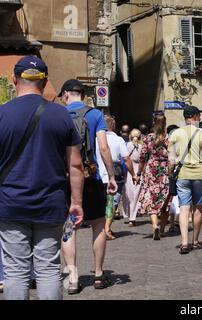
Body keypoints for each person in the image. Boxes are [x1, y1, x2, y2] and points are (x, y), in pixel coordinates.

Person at [0, 56, 84, 299]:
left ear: (14, 79)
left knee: (15, 271)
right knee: (48, 269)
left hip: (11, 203)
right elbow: (76, 164)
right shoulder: (62, 116)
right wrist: (76, 202)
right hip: (50, 203)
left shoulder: (2, 114)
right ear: (45, 82)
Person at [59, 79, 118, 293]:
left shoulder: (59, 114)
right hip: (90, 177)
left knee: (69, 226)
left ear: (66, 94)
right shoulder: (95, 115)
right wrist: (111, 175)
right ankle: (99, 275)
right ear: (83, 94)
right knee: (98, 225)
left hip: (65, 178)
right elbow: (103, 147)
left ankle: (73, 278)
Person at [168, 106, 202, 254]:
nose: (200, 118)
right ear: (194, 116)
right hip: (200, 174)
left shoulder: (175, 134)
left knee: (184, 208)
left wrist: (170, 175)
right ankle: (195, 241)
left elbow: (171, 161)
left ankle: (184, 242)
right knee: (198, 207)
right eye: (199, 115)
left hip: (182, 174)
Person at [96, 116, 137, 239]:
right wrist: (133, 174)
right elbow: (126, 159)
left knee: (101, 203)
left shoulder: (95, 139)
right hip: (115, 174)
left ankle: (102, 228)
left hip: (98, 174)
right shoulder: (118, 140)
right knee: (112, 202)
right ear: (113, 126)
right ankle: (107, 228)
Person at [137, 114, 170, 240]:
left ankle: (155, 225)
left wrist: (139, 173)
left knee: (152, 198)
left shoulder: (148, 138)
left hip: (151, 170)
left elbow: (142, 157)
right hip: (165, 170)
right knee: (165, 200)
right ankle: (162, 229)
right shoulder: (168, 138)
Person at [122, 129, 143, 226]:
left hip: (129, 171)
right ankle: (132, 217)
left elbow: (125, 158)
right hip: (139, 170)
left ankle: (130, 215)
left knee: (129, 194)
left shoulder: (128, 145)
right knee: (136, 195)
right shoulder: (142, 146)